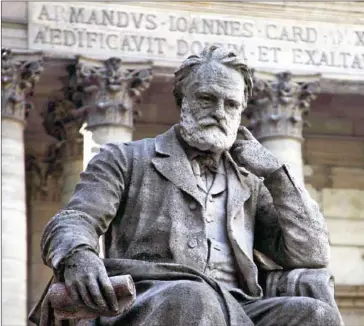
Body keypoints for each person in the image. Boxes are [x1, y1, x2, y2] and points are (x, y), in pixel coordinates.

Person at [36, 46, 342, 326]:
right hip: (151, 298)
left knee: (315, 314)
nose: (220, 112)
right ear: (182, 100)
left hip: (238, 307)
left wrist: (276, 174)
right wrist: (78, 255)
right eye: (207, 99)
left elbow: (311, 255)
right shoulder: (124, 159)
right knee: (194, 296)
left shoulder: (249, 181)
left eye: (231, 104)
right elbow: (76, 219)